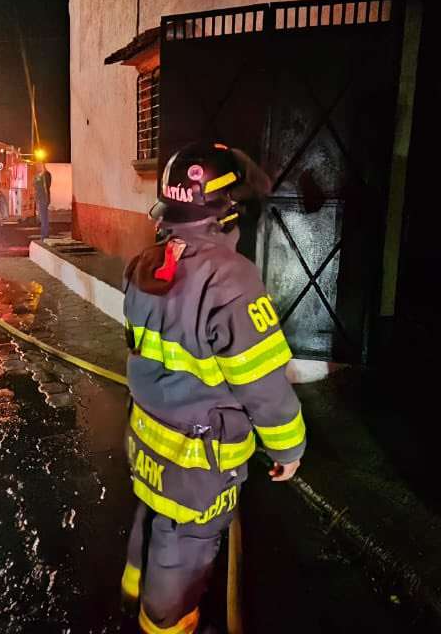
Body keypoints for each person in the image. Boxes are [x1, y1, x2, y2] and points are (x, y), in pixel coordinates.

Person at [120, 141, 305, 633]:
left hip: (148, 438)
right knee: (184, 542)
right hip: (201, 455)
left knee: (154, 513)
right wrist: (289, 445)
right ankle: (165, 621)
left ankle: (132, 587)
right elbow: (261, 382)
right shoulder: (231, 278)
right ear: (228, 211)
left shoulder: (146, 261)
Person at [34, 162, 53, 240]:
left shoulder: (46, 175)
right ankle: (44, 235)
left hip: (44, 198)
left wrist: (46, 199)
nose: (38, 167)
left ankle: (44, 235)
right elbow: (36, 185)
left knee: (44, 218)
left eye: (39, 165)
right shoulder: (39, 175)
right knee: (42, 218)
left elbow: (46, 186)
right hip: (40, 198)